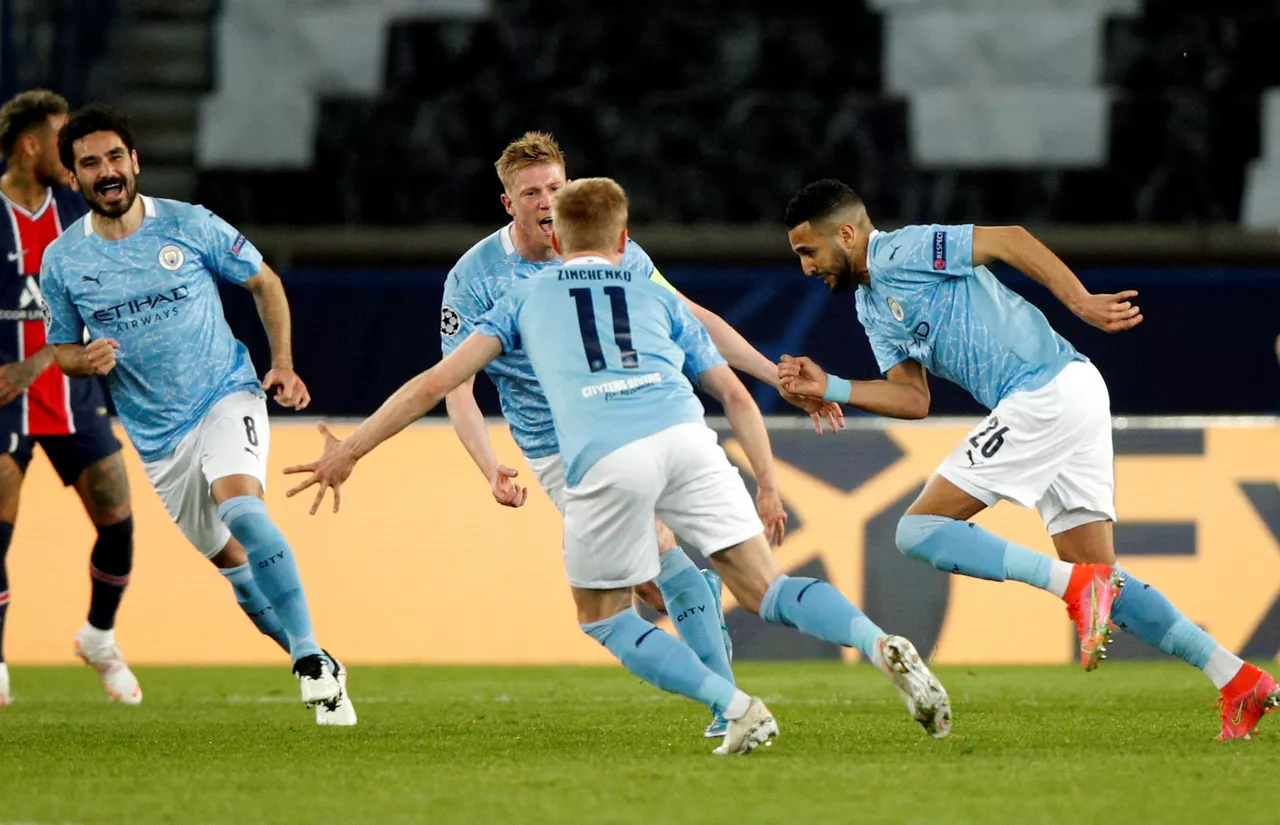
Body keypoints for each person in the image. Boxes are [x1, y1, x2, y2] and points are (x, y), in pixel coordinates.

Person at [286, 178, 952, 754]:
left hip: (606, 455)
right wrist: (769, 483)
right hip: (687, 438)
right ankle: (877, 642)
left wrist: (350, 449)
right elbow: (733, 394)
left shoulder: (523, 296)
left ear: (559, 235)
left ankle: (735, 706)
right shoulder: (651, 290)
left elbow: (436, 384)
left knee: (604, 616)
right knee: (766, 588)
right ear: (624, 236)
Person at [777, 179, 1279, 740]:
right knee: (1103, 579)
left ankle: (1075, 587)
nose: (806, 267)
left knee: (918, 530)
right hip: (1071, 392)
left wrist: (1081, 302)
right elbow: (913, 399)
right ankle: (1239, 681)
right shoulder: (870, 306)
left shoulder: (902, 250)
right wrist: (832, 386)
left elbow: (1009, 239)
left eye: (809, 251)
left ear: (847, 234)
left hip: (1043, 392)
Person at [440, 132, 843, 738]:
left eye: (555, 187)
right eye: (531, 193)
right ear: (508, 204)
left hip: (632, 418)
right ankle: (716, 658)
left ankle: (728, 708)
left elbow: (693, 319)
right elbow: (456, 385)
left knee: (658, 556)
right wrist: (488, 464)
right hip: (557, 447)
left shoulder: (610, 247)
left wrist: (773, 374)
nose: (547, 201)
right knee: (653, 582)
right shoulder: (475, 277)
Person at [39, 104, 354, 725]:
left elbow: (264, 282)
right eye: (90, 163)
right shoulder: (63, 260)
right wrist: (84, 360)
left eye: (115, 156)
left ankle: (310, 659)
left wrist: (282, 364)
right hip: (159, 438)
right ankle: (315, 659)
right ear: (73, 178)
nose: (107, 171)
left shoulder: (189, 224)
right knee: (235, 569)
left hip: (225, 394)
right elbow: (61, 349)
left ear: (135, 161)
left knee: (242, 506)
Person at [0, 90, 138, 706]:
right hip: (4, 400)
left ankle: (99, 636)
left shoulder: (78, 216)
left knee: (117, 520)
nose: (72, 154)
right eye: (60, 141)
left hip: (70, 391)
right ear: (30, 146)